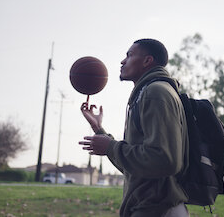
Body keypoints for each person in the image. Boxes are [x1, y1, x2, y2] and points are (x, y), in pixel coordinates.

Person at [79, 39, 189, 217]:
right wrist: (99, 130)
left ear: (147, 61)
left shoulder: (155, 93)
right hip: (148, 208)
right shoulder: (146, 92)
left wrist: (110, 147)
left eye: (129, 55)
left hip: (157, 209)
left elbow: (165, 160)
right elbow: (135, 167)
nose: (123, 61)